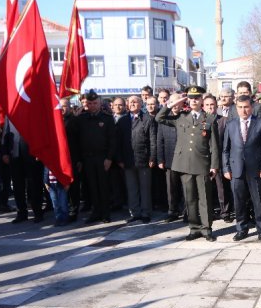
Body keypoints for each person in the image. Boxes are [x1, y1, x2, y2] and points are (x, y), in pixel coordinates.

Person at [156, 86, 219, 241]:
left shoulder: (209, 118)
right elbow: (159, 118)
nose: (193, 101)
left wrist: (214, 165)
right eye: (190, 98)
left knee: (204, 198)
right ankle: (194, 228)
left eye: (196, 98)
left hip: (202, 163)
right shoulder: (181, 117)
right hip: (184, 164)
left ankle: (206, 228)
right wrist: (176, 102)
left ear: (201, 100)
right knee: (189, 198)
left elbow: (214, 145)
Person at [222, 95, 261, 241]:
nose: (243, 110)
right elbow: (225, 149)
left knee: (259, 201)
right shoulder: (230, 125)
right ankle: (241, 229)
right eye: (240, 107)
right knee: (239, 202)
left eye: (246, 107)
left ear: (251, 107)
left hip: (256, 170)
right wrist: (226, 168)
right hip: (236, 170)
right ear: (236, 108)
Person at [73, 90, 116, 224]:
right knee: (91, 187)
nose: (92, 105)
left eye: (94, 103)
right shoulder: (81, 118)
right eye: (89, 103)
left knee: (103, 186)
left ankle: (105, 213)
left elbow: (112, 140)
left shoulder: (107, 118)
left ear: (99, 103)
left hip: (102, 158)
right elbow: (77, 141)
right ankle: (95, 212)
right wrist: (79, 160)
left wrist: (109, 158)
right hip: (87, 158)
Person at [117, 95, 156, 224]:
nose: (132, 104)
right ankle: (135, 213)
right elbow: (119, 142)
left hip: (144, 159)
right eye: (130, 102)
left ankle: (146, 213)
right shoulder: (122, 121)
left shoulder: (147, 119)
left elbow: (152, 141)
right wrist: (120, 159)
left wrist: (152, 157)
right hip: (128, 160)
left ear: (141, 104)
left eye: (135, 102)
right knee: (132, 188)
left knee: (145, 188)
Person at [157, 93, 185, 222]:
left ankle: (187, 212)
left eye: (177, 102)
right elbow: (159, 140)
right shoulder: (165, 118)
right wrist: (160, 159)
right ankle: (172, 211)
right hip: (169, 159)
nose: (175, 105)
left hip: (184, 158)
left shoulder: (185, 116)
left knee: (186, 188)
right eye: (172, 102)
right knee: (171, 188)